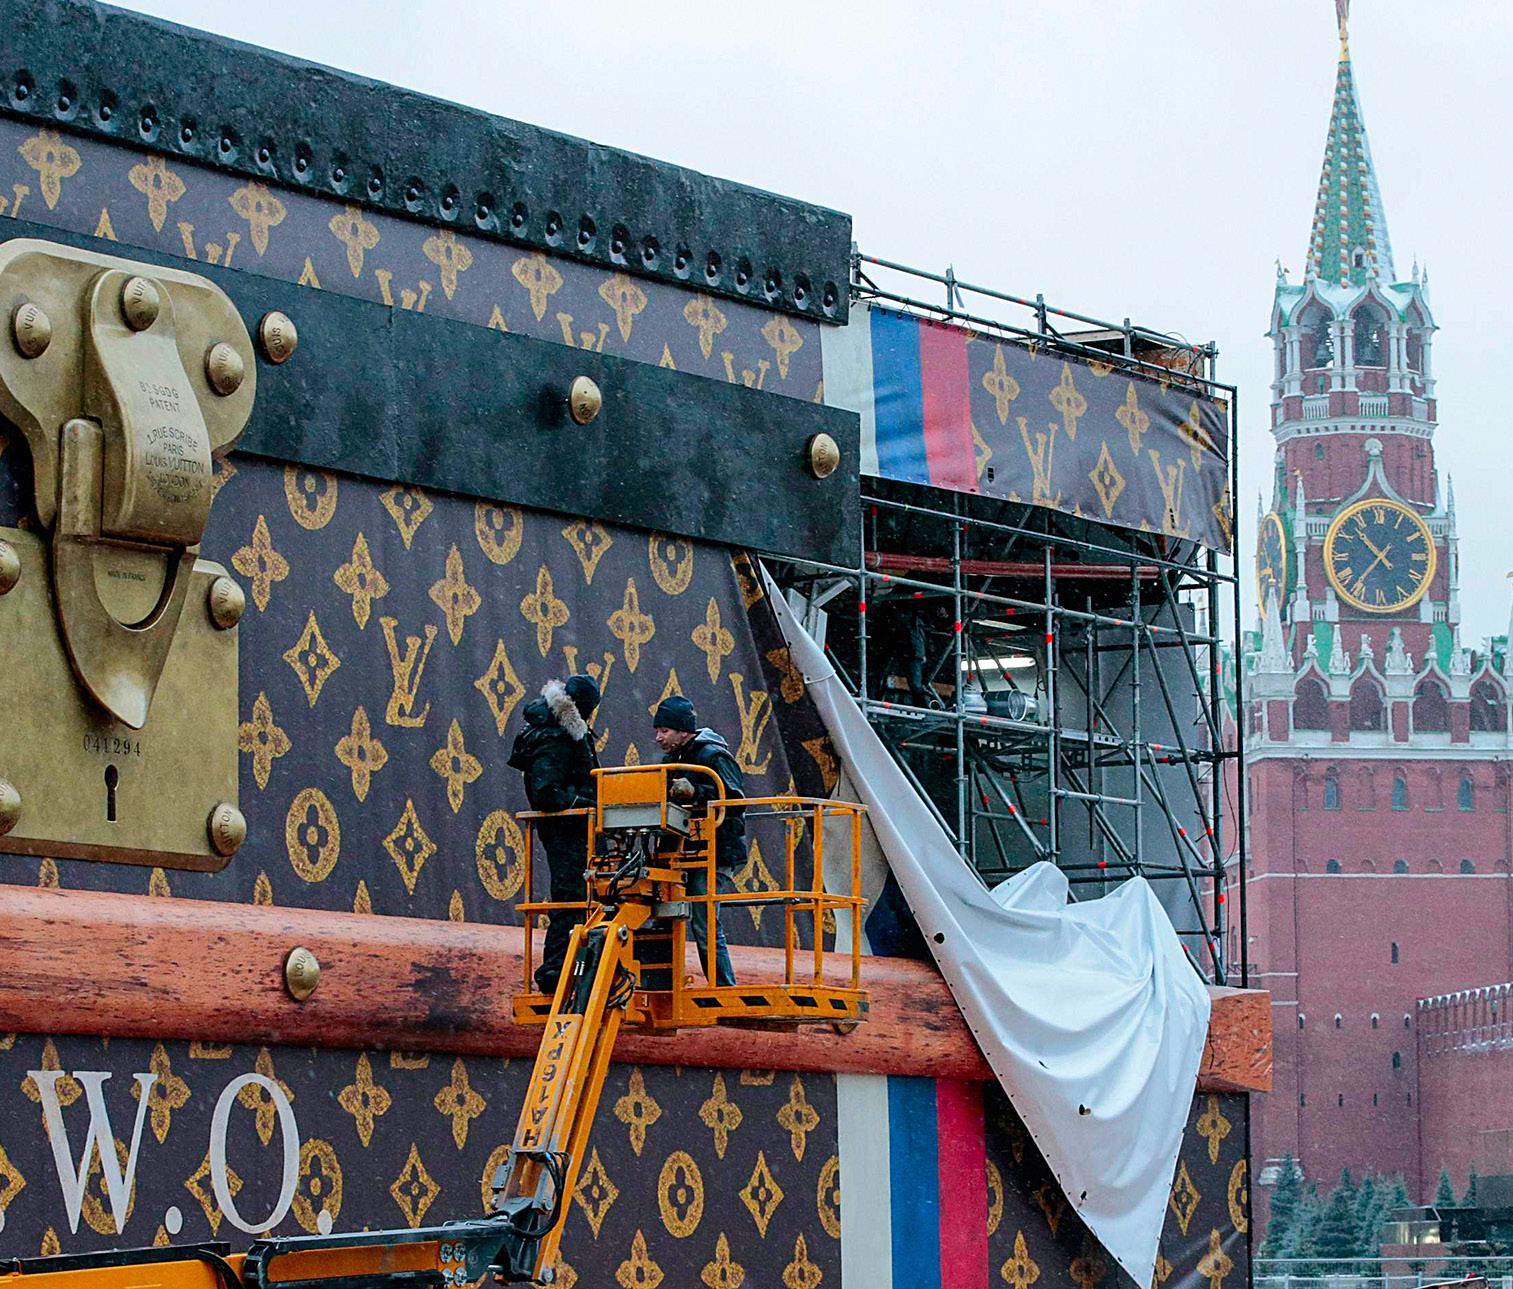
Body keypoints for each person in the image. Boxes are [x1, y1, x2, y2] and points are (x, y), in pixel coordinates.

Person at [507, 675, 601, 995]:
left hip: (572, 829)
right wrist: (586, 805)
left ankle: (571, 970)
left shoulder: (553, 729)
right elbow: (546, 792)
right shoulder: (556, 736)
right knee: (572, 899)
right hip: (569, 830)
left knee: (579, 900)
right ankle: (557, 972)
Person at [652, 696, 742, 987]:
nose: (658, 737)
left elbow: (735, 799)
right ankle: (665, 986)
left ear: (683, 731)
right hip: (683, 852)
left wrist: (697, 792)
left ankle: (723, 988)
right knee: (665, 917)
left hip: (714, 852)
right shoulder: (673, 760)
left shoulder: (712, 756)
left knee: (704, 922)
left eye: (664, 730)